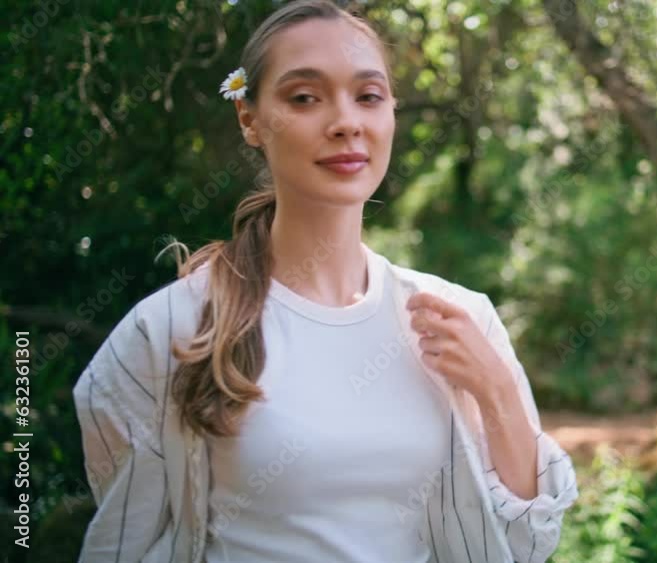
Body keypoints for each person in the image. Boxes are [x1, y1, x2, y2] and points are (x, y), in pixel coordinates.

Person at [72, 1, 578, 561]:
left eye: (368, 96)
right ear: (249, 119)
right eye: (305, 98)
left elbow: (525, 544)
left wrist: (497, 391)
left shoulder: (460, 319)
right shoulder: (174, 327)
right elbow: (126, 540)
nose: (346, 123)